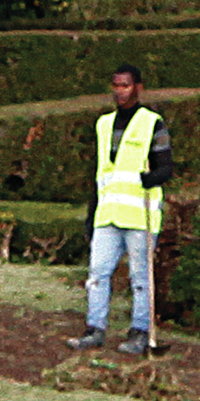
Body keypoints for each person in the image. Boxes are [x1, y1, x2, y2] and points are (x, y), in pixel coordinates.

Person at [68, 65, 173, 356]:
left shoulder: (153, 122)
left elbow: (166, 168)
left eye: (125, 85)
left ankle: (140, 332)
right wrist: (91, 215)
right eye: (115, 85)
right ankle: (94, 329)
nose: (119, 91)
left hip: (140, 216)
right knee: (97, 274)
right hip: (107, 214)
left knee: (141, 279)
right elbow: (100, 174)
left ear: (138, 87)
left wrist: (150, 178)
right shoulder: (103, 125)